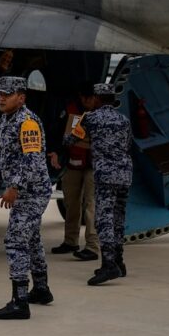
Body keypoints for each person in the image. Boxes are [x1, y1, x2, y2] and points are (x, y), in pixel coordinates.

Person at [0, 76, 53, 320]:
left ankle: (19, 301)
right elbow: (0, 155)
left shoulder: (27, 123)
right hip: (23, 191)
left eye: (7, 94)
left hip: (33, 192)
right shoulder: (5, 121)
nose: (1, 98)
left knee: (15, 240)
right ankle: (42, 289)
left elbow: (32, 160)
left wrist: (14, 186)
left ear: (21, 97)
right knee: (31, 238)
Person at [62, 83, 133, 285]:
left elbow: (70, 140)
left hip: (105, 176)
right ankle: (119, 261)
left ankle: (109, 265)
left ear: (97, 99)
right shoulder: (123, 119)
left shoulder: (91, 118)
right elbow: (128, 144)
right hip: (125, 173)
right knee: (119, 218)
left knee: (103, 220)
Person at [48, 87, 99, 260]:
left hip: (94, 165)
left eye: (92, 98)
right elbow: (58, 133)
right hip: (73, 163)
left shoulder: (102, 113)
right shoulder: (69, 111)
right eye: (86, 98)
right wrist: (55, 151)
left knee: (91, 205)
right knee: (71, 203)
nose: (89, 102)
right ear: (81, 97)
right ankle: (70, 241)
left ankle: (92, 247)